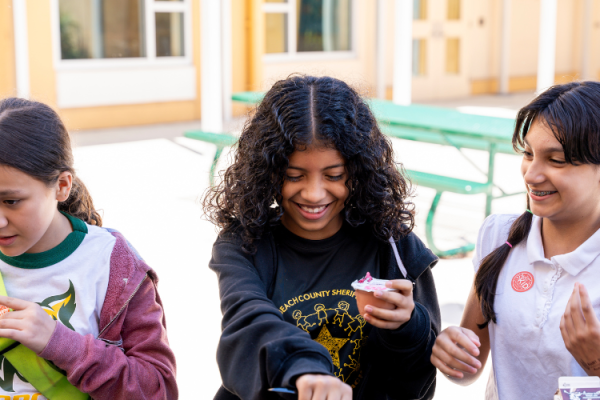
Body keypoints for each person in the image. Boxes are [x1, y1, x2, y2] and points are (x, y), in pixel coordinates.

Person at [204, 75, 441, 400]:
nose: (314, 194)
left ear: (358, 170)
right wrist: (305, 368)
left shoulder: (394, 246)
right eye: (293, 175)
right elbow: (247, 322)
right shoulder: (244, 244)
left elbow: (418, 383)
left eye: (333, 175)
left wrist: (409, 326)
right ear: (267, 171)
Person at [430, 81, 600, 400]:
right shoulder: (499, 236)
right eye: (528, 153)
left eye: (556, 160)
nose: (531, 174)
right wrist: (451, 352)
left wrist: (595, 361)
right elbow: (470, 367)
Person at [0, 98, 178, 399]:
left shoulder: (113, 265)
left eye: (12, 201)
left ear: (62, 185)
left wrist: (60, 343)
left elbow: (157, 389)